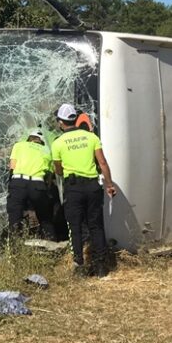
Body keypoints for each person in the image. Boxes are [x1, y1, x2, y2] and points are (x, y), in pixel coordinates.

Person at [51, 103, 117, 277]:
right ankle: (101, 267)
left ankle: (79, 266)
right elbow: (102, 163)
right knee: (96, 226)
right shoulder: (91, 137)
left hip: (73, 188)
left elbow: (58, 170)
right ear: (74, 119)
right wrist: (109, 184)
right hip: (93, 186)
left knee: (75, 227)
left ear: (60, 122)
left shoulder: (57, 143)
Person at [7, 129, 56, 241]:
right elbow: (48, 175)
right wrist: (46, 191)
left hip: (18, 182)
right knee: (45, 217)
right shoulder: (47, 150)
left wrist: (11, 185)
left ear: (29, 138)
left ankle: (14, 248)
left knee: (15, 217)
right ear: (41, 141)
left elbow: (12, 166)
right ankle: (51, 243)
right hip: (37, 184)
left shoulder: (19, 145)